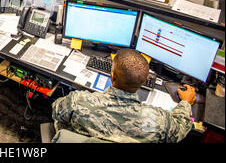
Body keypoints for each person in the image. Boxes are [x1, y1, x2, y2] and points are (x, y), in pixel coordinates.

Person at [52, 49, 195, 143]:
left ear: (112, 76)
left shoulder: (79, 101)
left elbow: (56, 111)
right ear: (145, 80)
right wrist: (185, 103)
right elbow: (179, 129)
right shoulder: (158, 121)